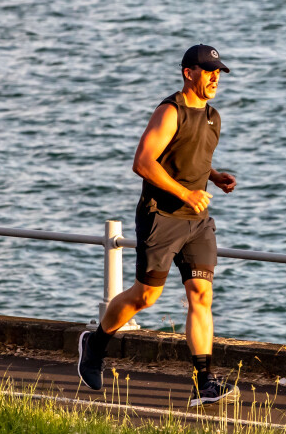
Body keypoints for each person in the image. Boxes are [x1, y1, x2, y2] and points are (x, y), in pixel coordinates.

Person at [77, 44, 239, 407]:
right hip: (161, 218)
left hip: (197, 222)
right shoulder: (170, 112)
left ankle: (204, 382)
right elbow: (144, 162)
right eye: (209, 71)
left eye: (219, 72)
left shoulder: (213, 117)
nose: (216, 78)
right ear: (188, 73)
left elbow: (186, 154)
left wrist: (213, 177)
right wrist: (185, 193)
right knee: (145, 297)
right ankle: (95, 344)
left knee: (201, 295)